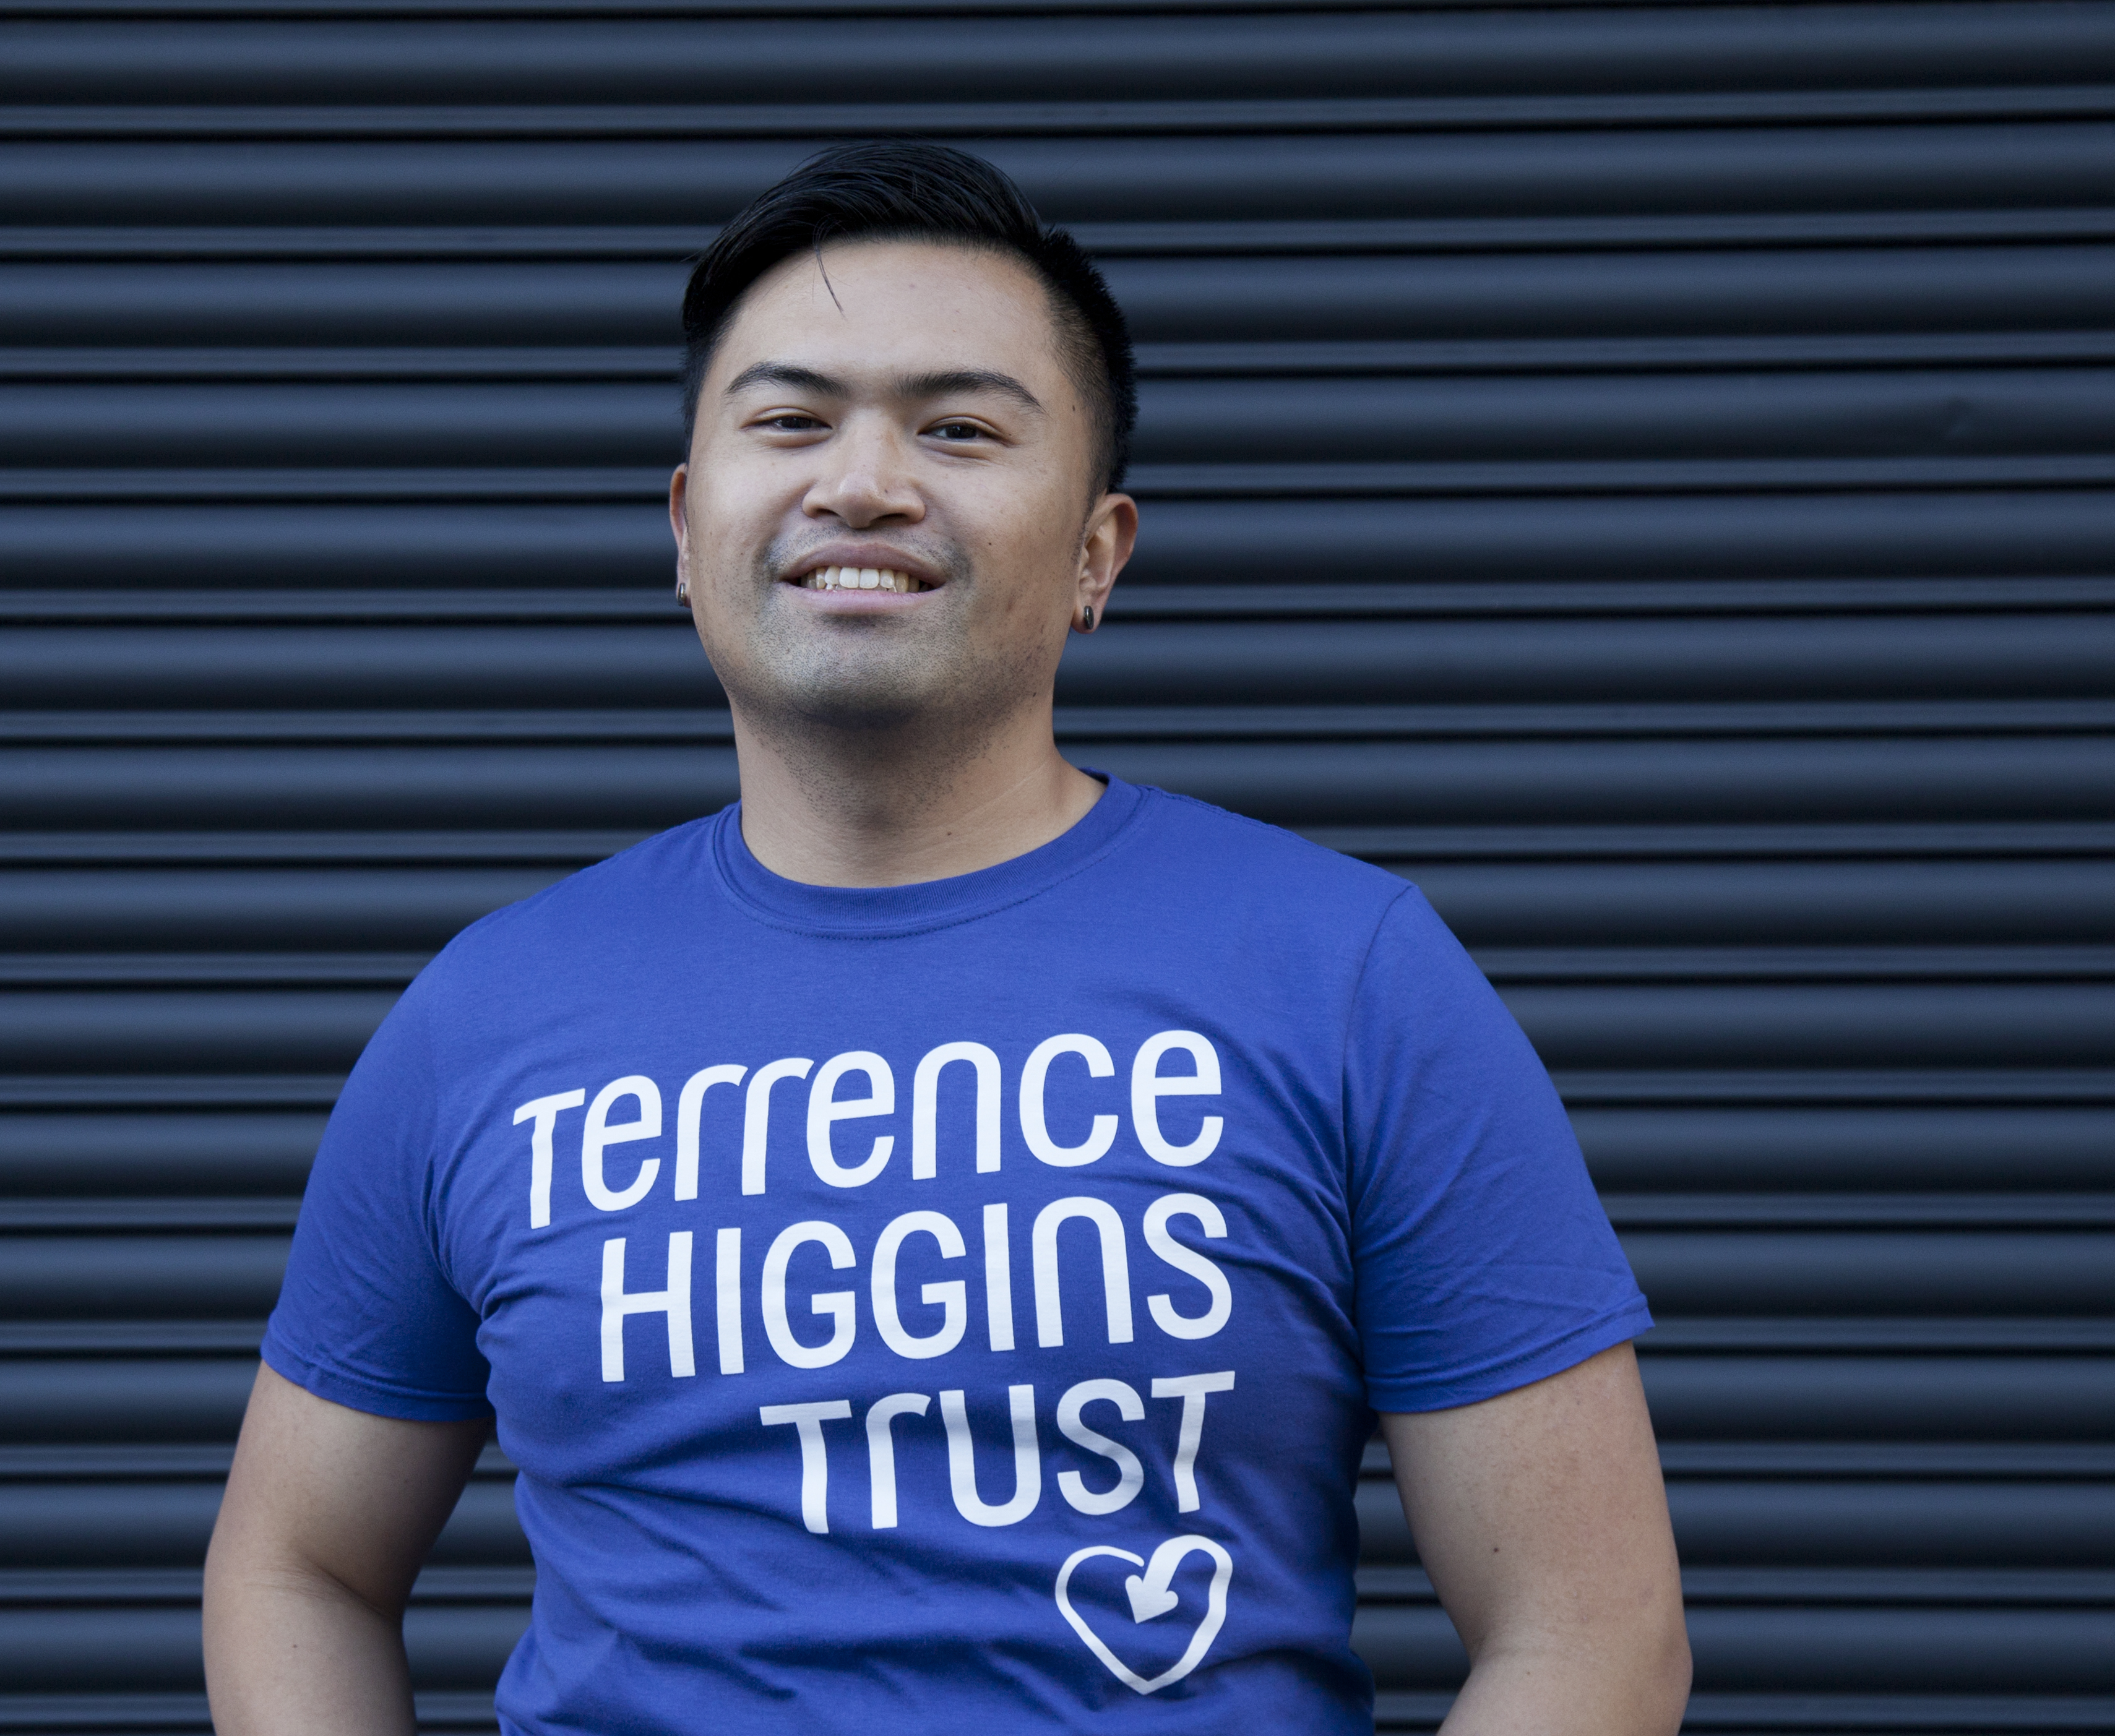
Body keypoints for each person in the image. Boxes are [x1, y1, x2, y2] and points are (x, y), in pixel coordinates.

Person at [202, 141, 1689, 1735]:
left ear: (1097, 555)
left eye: (960, 428)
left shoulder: (1346, 979)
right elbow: (297, 1564)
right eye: (790, 421)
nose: (863, 483)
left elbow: (1588, 1629)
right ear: (690, 528)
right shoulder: (484, 1016)